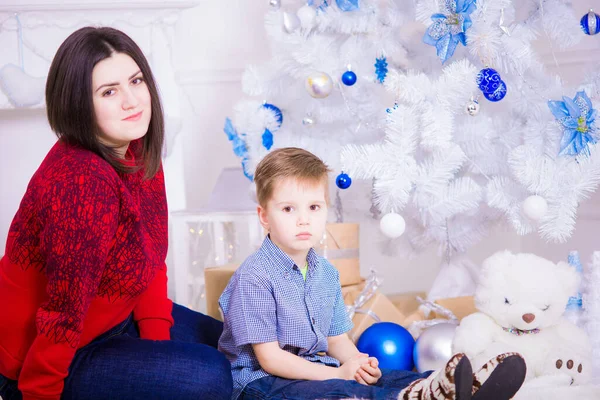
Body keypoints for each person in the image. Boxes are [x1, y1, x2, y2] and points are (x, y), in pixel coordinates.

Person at [0, 27, 232, 400]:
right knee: (211, 375)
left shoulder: (135, 148)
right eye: (109, 91)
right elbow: (62, 315)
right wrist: (37, 393)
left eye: (136, 81)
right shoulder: (81, 182)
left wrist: (158, 350)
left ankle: (329, 391)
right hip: (45, 357)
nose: (132, 101)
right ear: (78, 103)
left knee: (237, 343)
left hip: (113, 322)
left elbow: (150, 256)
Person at [218, 147, 527, 400]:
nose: (303, 220)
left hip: (317, 367)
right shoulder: (255, 277)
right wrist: (339, 373)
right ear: (264, 216)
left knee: (389, 377)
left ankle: (457, 387)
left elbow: (336, 339)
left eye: (313, 207)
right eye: (288, 209)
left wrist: (355, 363)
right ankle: (424, 396)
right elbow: (270, 359)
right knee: (347, 393)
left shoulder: (324, 272)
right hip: (265, 383)